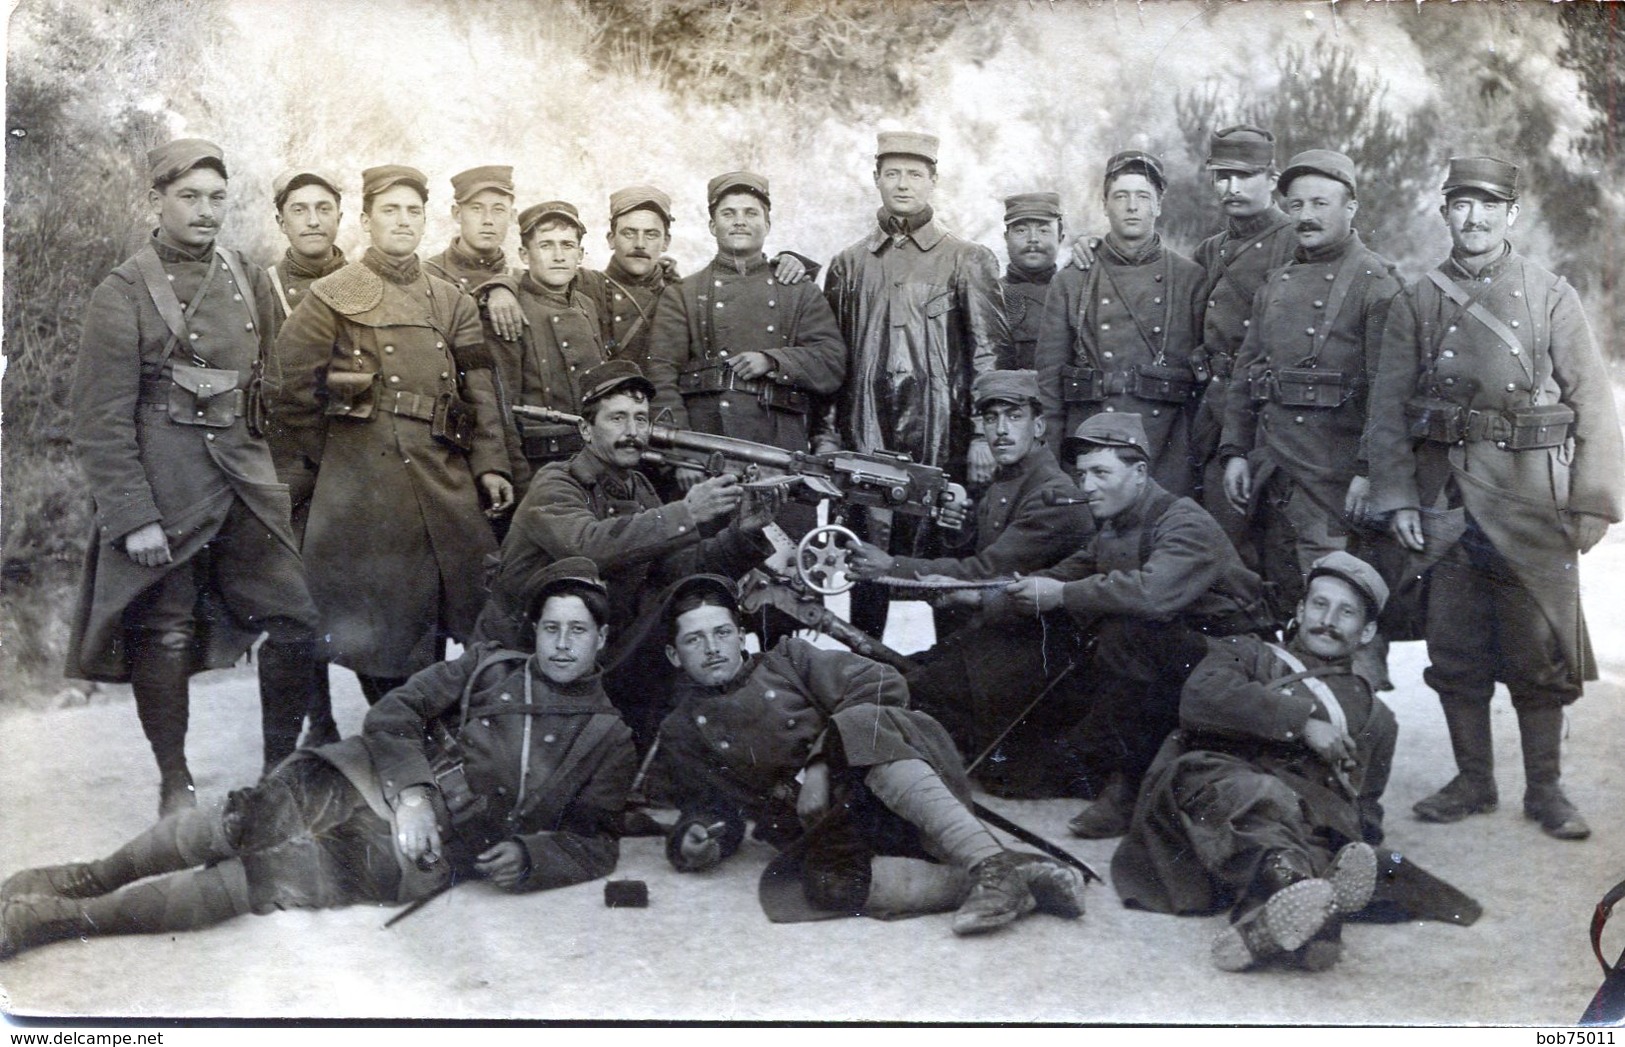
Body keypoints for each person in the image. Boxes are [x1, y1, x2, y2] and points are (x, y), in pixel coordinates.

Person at [1, 559, 636, 962]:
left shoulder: (608, 736)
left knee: (258, 882)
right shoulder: (490, 666)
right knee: (242, 822)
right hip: (361, 777)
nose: (560, 644)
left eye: (578, 631)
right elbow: (393, 715)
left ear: (602, 639)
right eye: (552, 628)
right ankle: (90, 876)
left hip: (426, 852)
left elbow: (596, 841)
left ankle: (58, 922)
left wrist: (531, 858)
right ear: (537, 630)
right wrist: (413, 793)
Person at [1366, 155, 1624, 841]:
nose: (1472, 218)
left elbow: (1593, 403)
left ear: (1510, 216)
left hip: (1531, 499)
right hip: (1447, 500)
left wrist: (1593, 499)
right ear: (1444, 212)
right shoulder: (1416, 301)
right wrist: (1397, 499)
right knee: (1454, 649)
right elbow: (1387, 410)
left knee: (1537, 650)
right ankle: (1472, 778)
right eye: (1459, 204)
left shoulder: (1549, 295)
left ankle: (1545, 788)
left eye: (1486, 206)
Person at [65, 138, 321, 815]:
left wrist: (282, 480)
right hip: (166, 485)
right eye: (190, 196)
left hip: (242, 478)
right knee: (167, 630)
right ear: (160, 199)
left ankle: (277, 772)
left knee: (296, 617)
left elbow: (272, 386)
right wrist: (133, 515)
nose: (206, 211)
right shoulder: (122, 291)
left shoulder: (244, 273)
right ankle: (174, 780)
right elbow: (100, 419)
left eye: (216, 197)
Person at [650, 575, 1086, 935]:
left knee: (860, 724)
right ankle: (1015, 877)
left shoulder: (788, 660)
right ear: (673, 654)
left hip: (902, 772)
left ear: (741, 636)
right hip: (838, 821)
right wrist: (700, 835)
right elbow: (710, 804)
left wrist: (819, 765)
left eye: (722, 633)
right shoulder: (681, 731)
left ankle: (988, 863)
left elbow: (883, 684)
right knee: (825, 885)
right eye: (695, 640)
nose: (712, 648)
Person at [906, 413, 1268, 820]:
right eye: (1082, 475)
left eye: (1100, 472)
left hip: (1228, 657)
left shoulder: (1182, 521)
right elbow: (1058, 578)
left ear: (1140, 472)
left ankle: (1125, 784)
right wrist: (974, 596)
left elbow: (1151, 595)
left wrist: (1061, 595)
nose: (1088, 486)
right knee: (1012, 774)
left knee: (1125, 631)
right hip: (1165, 656)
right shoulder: (1114, 528)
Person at [266, 164, 514, 704]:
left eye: (413, 211)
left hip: (444, 472)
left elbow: (480, 391)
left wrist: (490, 464)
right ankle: (403, 735)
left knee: (471, 607)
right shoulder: (336, 291)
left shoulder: (448, 297)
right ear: (366, 220)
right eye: (390, 210)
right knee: (389, 623)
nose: (403, 221)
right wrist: (335, 457)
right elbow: (288, 390)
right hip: (368, 483)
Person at [1112, 553, 1398, 971]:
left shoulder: (1379, 719)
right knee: (1258, 796)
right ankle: (1307, 907)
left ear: (1367, 631)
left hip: (1299, 820)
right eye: (1319, 604)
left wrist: (1356, 838)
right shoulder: (1245, 653)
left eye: (1347, 612)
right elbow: (1200, 699)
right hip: (1209, 800)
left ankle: (1277, 919)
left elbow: (1365, 801)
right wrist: (1302, 724)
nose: (1328, 620)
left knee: (1319, 832)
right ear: (1300, 611)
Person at [476, 359, 778, 748]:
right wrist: (688, 513)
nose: (633, 432)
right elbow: (587, 548)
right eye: (617, 419)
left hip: (598, 653)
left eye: (640, 419)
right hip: (525, 659)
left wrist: (744, 534)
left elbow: (677, 570)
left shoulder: (637, 486)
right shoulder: (556, 482)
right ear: (586, 429)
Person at [1218, 149, 1403, 683]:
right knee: (1283, 610)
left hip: (1334, 483)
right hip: (1272, 476)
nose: (1306, 215)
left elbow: (1387, 395)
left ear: (1352, 208)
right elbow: (1246, 375)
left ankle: (1356, 741)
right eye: (1296, 204)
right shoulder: (1275, 284)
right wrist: (1234, 451)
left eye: (1321, 202)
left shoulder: (1376, 283)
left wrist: (1369, 472)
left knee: (1341, 613)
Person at [820, 129, 1009, 641]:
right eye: (892, 173)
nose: (903, 184)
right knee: (868, 576)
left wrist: (980, 436)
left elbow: (988, 355)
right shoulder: (848, 264)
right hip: (867, 443)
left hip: (943, 444)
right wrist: (830, 434)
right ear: (876, 178)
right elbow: (833, 359)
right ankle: (868, 687)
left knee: (947, 578)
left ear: (933, 180)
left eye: (915, 174)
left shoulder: (967, 259)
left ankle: (955, 696)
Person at [647, 170, 847, 541]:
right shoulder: (684, 295)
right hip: (708, 451)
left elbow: (832, 362)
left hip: (781, 452)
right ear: (712, 225)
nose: (740, 221)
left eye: (751, 213)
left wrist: (774, 361)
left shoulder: (798, 293)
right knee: (708, 568)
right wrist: (683, 451)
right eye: (729, 213)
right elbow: (661, 375)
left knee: (784, 567)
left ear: (768, 224)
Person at [849, 369, 1092, 640]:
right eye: (991, 418)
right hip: (995, 636)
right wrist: (957, 528)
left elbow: (987, 571)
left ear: (1038, 426)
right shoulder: (1005, 482)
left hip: (1030, 646)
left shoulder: (1053, 496)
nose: (1001, 429)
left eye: (1014, 416)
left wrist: (890, 566)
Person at [1035, 151, 1206, 497]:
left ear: (1158, 206)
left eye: (1143, 197)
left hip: (1166, 445)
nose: (1132, 206)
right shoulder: (1072, 280)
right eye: (1121, 196)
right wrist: (1051, 463)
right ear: (1105, 205)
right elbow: (1049, 383)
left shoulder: (1191, 279)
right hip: (1089, 441)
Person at [264, 166, 349, 750]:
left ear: (341, 217)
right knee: (296, 607)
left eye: (324, 208)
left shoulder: (364, 280)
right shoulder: (261, 285)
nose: (313, 220)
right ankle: (308, 728)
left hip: (356, 464)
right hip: (290, 470)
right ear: (282, 220)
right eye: (300, 210)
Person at [1188, 126, 1297, 543]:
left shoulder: (1293, 241)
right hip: (1211, 408)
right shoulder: (1210, 249)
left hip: (1265, 414)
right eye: (1222, 176)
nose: (1230, 187)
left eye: (1244, 176)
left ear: (1272, 178)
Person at [479, 200, 605, 499]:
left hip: (592, 461)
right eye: (546, 245)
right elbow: (501, 405)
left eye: (568, 245)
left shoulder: (587, 304)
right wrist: (521, 482)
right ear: (524, 254)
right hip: (540, 466)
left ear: (581, 255)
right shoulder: (509, 308)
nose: (559, 256)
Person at [423, 165, 516, 293]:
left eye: (498, 210)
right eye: (476, 208)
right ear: (457, 214)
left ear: (511, 216)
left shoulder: (521, 280)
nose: (488, 220)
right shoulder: (426, 275)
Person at [998, 192, 1064, 370]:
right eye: (1021, 230)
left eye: (1043, 230)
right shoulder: (990, 296)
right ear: (1006, 238)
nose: (1032, 238)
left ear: (1060, 237)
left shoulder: (1078, 293)